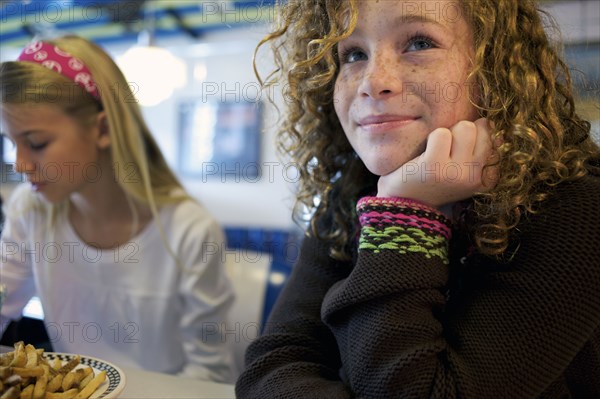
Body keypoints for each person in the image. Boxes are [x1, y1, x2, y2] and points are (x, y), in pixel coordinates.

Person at [236, 0, 600, 397]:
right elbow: (270, 369)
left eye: (420, 43)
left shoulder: (577, 206)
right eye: (354, 54)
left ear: (495, 69)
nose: (374, 81)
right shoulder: (348, 196)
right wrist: (401, 205)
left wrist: (403, 214)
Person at [0, 35, 235, 383]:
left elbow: (210, 373)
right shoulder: (29, 210)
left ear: (103, 129)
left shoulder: (188, 230)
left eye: (36, 143)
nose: (19, 164)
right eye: (11, 144)